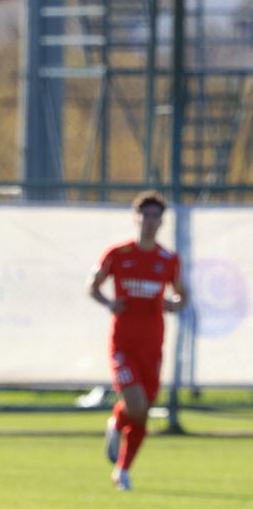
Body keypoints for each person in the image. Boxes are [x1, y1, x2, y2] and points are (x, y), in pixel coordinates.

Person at [89, 191, 189, 491]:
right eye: (145, 215)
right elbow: (92, 285)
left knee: (143, 410)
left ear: (161, 221)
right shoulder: (118, 254)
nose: (150, 221)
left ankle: (122, 469)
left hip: (152, 345)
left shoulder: (168, 259)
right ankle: (119, 421)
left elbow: (183, 295)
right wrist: (108, 303)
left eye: (155, 216)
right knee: (136, 403)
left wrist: (174, 303)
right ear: (136, 218)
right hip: (123, 344)